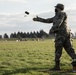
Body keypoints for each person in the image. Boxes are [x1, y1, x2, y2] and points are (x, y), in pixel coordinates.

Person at [33, 3, 76, 70]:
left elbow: (59, 22)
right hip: (65, 34)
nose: (55, 9)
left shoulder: (62, 13)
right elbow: (47, 20)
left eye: (56, 7)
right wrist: (38, 19)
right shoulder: (56, 16)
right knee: (69, 49)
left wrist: (53, 29)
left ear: (59, 8)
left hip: (62, 34)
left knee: (59, 49)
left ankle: (57, 66)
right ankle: (64, 64)